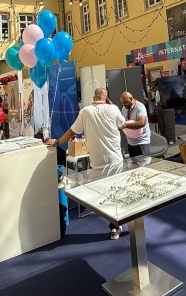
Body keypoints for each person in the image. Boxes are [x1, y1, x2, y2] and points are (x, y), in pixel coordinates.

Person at [46, 87, 126, 239]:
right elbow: (123, 125)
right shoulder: (113, 109)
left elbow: (73, 131)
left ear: (93, 97)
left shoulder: (85, 111)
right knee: (116, 190)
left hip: (97, 160)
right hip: (114, 158)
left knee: (104, 192)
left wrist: (58, 141)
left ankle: (113, 223)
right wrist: (112, 106)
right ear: (106, 97)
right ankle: (115, 226)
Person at [119, 91, 151, 157]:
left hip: (141, 143)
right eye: (122, 103)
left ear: (131, 99)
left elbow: (141, 123)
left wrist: (125, 125)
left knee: (143, 163)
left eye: (125, 102)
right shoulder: (124, 108)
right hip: (130, 142)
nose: (124, 104)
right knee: (134, 163)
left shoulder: (140, 107)